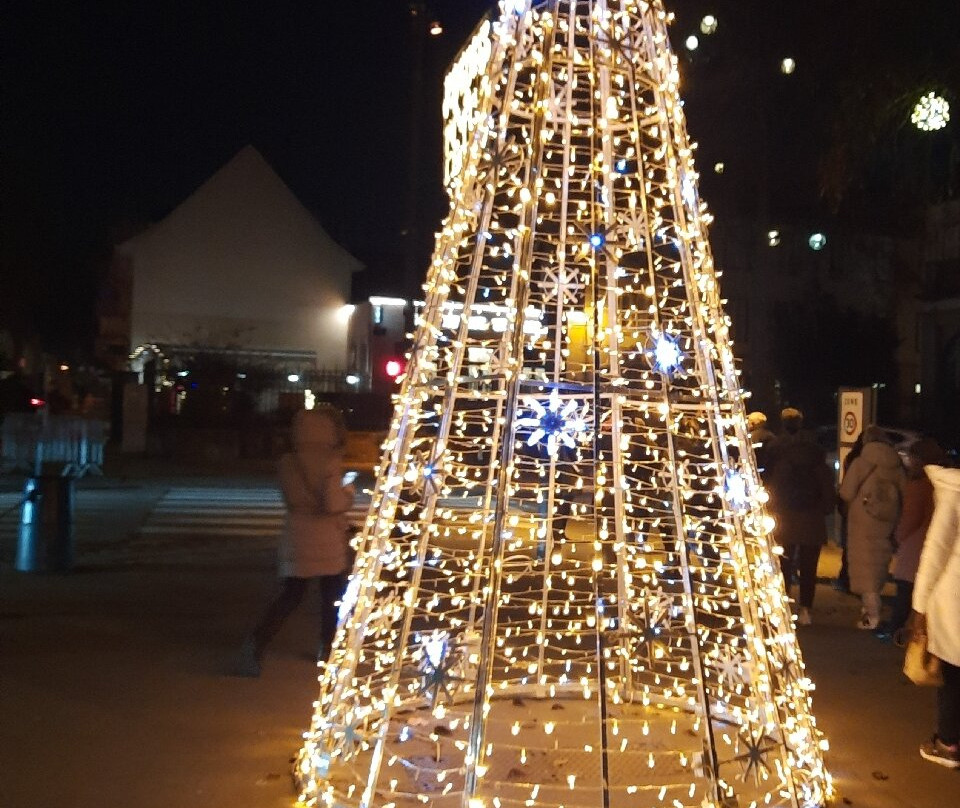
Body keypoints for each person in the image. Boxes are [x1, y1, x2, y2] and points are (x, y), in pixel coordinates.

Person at [236, 405, 356, 677]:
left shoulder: (287, 462)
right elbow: (333, 503)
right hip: (326, 538)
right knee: (331, 596)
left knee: (290, 595)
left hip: (297, 534)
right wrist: (348, 491)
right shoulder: (330, 461)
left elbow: (290, 498)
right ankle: (327, 650)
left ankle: (254, 646)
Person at [765, 407, 835, 626]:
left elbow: (773, 492)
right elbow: (828, 497)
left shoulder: (781, 460)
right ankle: (806, 609)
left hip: (785, 520)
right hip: (812, 522)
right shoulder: (819, 464)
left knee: (784, 565)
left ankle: (783, 605)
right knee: (808, 568)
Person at [912, 464, 960, 769]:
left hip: (954, 596)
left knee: (954, 675)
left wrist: (919, 606)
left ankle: (948, 744)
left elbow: (936, 549)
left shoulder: (953, 490)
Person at [838, 425, 906, 630]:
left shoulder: (861, 462)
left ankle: (872, 614)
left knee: (863, 565)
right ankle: (870, 609)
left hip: (863, 520)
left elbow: (847, 493)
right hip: (886, 520)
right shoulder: (896, 465)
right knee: (877, 563)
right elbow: (904, 495)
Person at [888, 438, 947, 636]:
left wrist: (898, 536)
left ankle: (898, 630)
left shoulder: (918, 485)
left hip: (915, 546)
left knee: (906, 592)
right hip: (936, 543)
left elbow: (909, 518)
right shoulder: (942, 483)